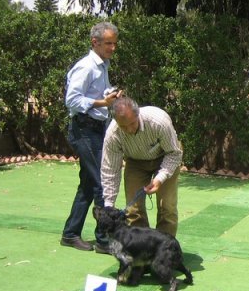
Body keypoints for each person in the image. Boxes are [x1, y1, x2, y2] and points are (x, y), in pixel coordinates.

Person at [61, 21, 122, 253]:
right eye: (108, 43)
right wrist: (102, 103)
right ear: (94, 42)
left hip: (96, 129)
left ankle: (70, 234)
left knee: (88, 185)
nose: (113, 48)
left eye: (115, 43)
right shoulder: (86, 67)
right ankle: (104, 240)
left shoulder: (102, 65)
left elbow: (97, 95)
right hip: (84, 130)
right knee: (101, 184)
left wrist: (111, 96)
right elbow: (72, 100)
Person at [101, 96, 183, 237]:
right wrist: (109, 203)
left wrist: (159, 179)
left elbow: (174, 153)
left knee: (167, 207)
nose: (129, 130)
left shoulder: (159, 122)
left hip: (165, 156)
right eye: (123, 126)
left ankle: (166, 250)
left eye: (132, 123)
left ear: (138, 113)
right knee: (133, 210)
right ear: (116, 121)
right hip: (135, 162)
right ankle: (142, 250)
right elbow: (110, 170)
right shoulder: (112, 135)